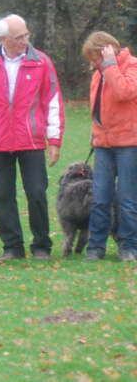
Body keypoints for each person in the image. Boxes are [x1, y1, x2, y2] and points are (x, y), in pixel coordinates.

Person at [0, 14, 64, 262]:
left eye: (26, 35)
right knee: (4, 196)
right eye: (19, 37)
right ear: (3, 39)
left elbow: (53, 101)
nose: (25, 40)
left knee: (36, 193)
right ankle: (12, 246)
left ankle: (41, 245)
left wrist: (54, 140)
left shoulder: (42, 62)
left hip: (32, 140)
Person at [80, 32, 137, 262]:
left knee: (127, 199)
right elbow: (97, 107)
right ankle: (96, 247)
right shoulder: (98, 74)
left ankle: (129, 247)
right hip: (103, 144)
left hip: (129, 144)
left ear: (106, 50)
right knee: (100, 198)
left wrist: (111, 66)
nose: (93, 64)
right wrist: (95, 133)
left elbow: (125, 92)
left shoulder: (132, 66)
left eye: (95, 58)